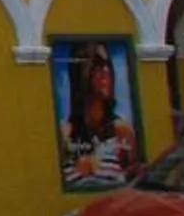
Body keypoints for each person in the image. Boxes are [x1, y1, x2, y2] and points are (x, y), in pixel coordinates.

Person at [59, 43, 139, 188]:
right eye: (98, 66)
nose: (105, 72)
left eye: (107, 65)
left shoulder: (122, 131)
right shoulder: (66, 133)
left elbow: (134, 181)